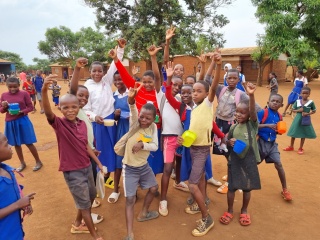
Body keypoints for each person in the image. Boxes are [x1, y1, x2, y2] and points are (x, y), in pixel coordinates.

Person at [42, 74, 104, 240]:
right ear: (60, 109)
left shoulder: (82, 123)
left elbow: (86, 146)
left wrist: (98, 163)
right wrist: (43, 91)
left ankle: (78, 223)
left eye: (73, 107)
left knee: (91, 196)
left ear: (79, 107)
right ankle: (95, 236)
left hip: (86, 166)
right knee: (84, 205)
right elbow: (48, 112)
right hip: (72, 171)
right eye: (65, 108)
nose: (70, 110)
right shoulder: (59, 124)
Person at [180, 49, 221, 237]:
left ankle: (207, 217)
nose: (194, 93)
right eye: (193, 91)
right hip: (193, 146)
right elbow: (203, 80)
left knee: (193, 184)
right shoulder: (195, 105)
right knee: (202, 177)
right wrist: (204, 65)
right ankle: (202, 201)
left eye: (198, 91)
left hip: (201, 149)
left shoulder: (207, 103)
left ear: (206, 94)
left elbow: (210, 85)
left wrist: (217, 65)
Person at [206, 66, 261, 194]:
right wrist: (213, 63)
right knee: (225, 152)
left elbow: (255, 108)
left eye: (234, 78)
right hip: (219, 124)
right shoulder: (220, 89)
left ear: (238, 79)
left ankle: (232, 179)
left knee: (232, 154)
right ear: (225, 78)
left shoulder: (241, 94)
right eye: (229, 77)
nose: (231, 80)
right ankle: (233, 174)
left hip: (231, 126)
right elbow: (208, 79)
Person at [110, 45, 164, 176]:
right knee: (140, 155)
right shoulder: (138, 89)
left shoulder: (158, 92)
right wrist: (116, 59)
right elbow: (124, 75)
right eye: (144, 82)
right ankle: (137, 181)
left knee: (152, 156)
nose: (147, 84)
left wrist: (153, 57)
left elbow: (157, 76)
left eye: (150, 82)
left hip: (154, 129)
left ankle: (151, 180)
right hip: (139, 130)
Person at [114, 83, 159, 240]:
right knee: (130, 200)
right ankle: (129, 234)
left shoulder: (153, 128)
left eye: (148, 118)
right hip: (130, 168)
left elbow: (154, 146)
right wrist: (131, 101)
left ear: (154, 119)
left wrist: (142, 145)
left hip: (144, 167)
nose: (144, 120)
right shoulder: (135, 123)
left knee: (153, 188)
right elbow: (133, 110)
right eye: (142, 116)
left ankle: (144, 213)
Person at [83, 39, 126, 189]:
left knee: (113, 149)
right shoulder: (87, 86)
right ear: (89, 72)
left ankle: (108, 178)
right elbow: (85, 109)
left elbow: (116, 64)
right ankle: (99, 179)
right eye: (94, 71)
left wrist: (120, 49)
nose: (97, 73)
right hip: (97, 124)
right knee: (100, 151)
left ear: (104, 72)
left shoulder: (106, 81)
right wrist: (95, 117)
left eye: (100, 71)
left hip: (110, 122)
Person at [149, 44, 184, 217]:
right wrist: (154, 57)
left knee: (180, 165)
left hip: (184, 139)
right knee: (168, 168)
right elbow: (157, 75)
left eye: (180, 85)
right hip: (169, 138)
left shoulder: (183, 100)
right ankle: (163, 199)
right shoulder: (161, 95)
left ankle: (179, 182)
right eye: (174, 84)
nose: (176, 87)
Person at [219, 82, 261, 226]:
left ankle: (244, 210)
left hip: (248, 161)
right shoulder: (234, 126)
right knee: (231, 187)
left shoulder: (252, 125)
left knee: (247, 187)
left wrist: (251, 95)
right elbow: (225, 138)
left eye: (242, 112)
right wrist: (229, 141)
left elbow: (254, 112)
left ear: (249, 114)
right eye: (237, 112)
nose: (238, 114)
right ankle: (230, 210)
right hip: (234, 160)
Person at [70, 57, 105, 224]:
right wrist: (77, 69)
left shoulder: (82, 111)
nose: (83, 99)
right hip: (82, 158)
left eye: (86, 96)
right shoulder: (74, 110)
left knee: (90, 192)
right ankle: (80, 222)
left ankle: (83, 218)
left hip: (88, 153)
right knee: (87, 193)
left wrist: (93, 149)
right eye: (79, 96)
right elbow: (72, 90)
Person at [0, 77, 43, 172]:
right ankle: (22, 163)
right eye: (10, 87)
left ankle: (38, 161)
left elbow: (30, 107)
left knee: (29, 142)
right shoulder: (4, 95)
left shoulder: (24, 94)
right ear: (7, 86)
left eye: (15, 86)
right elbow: (2, 110)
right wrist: (4, 107)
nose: (12, 89)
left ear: (19, 85)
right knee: (16, 144)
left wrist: (21, 112)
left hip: (22, 120)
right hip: (10, 122)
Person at [0, 132, 36, 239]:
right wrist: (17, 205)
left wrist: (22, 204)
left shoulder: (6, 169)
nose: (10, 146)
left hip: (15, 233)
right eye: (6, 144)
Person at [257, 94, 292, 201]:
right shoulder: (263, 112)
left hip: (272, 144)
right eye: (273, 100)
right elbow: (254, 125)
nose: (275, 103)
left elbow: (277, 131)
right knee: (253, 163)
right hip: (260, 142)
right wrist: (267, 125)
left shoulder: (279, 117)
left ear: (281, 105)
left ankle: (285, 189)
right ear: (268, 102)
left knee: (279, 164)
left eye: (277, 102)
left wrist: (278, 131)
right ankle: (234, 176)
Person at [108, 70, 130, 204]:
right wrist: (116, 115)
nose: (117, 82)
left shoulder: (132, 93)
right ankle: (116, 189)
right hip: (121, 129)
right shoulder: (113, 97)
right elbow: (114, 117)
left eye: (120, 79)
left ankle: (132, 189)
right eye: (115, 80)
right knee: (119, 159)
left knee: (133, 159)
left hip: (133, 129)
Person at [283, 87, 316, 154]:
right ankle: (291, 146)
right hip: (297, 119)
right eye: (303, 93)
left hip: (305, 119)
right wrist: (299, 110)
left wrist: (308, 113)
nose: (305, 95)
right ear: (300, 94)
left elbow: (314, 110)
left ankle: (301, 148)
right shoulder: (297, 101)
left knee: (303, 133)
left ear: (309, 94)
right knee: (294, 132)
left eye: (306, 93)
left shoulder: (311, 102)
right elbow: (292, 109)